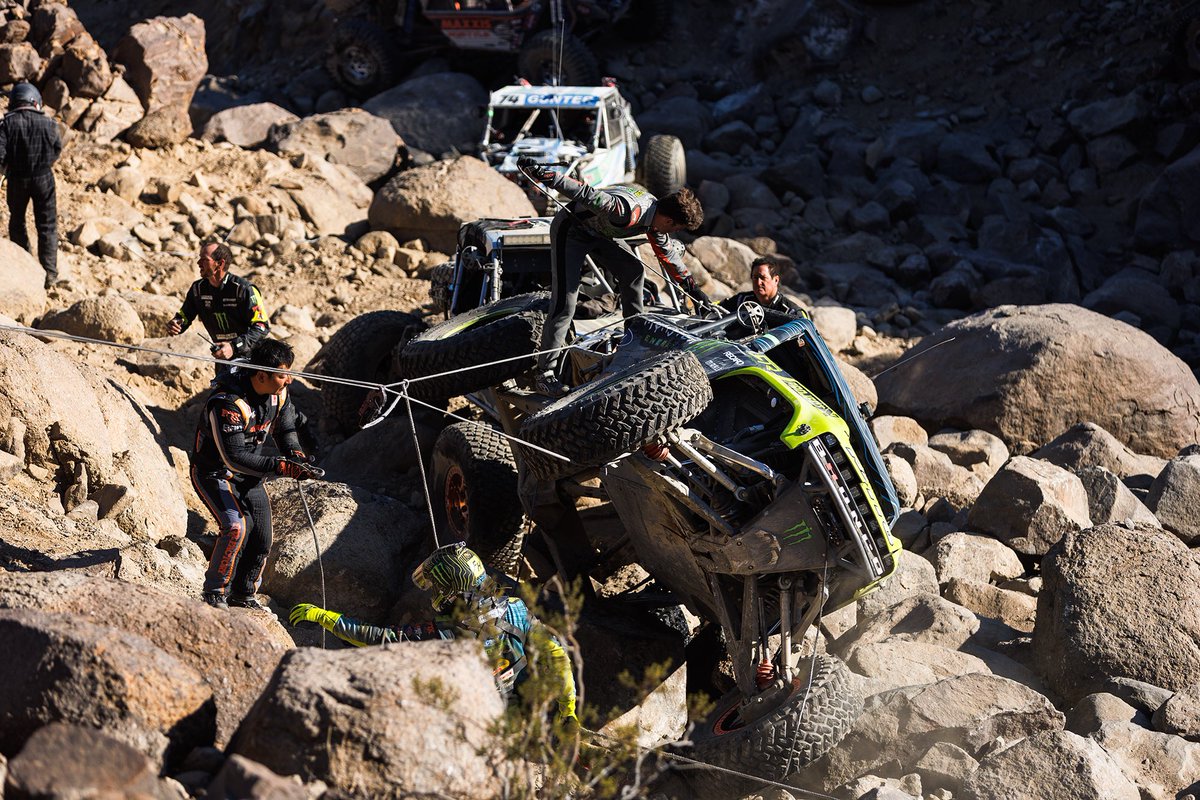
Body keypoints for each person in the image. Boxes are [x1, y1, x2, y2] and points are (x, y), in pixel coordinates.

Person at [290, 542, 579, 728]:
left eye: (437, 587)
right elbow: (557, 654)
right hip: (528, 717)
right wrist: (569, 710)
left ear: (452, 589)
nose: (434, 594)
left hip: (477, 724)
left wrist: (326, 617)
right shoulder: (516, 609)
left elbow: (380, 638)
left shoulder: (445, 634)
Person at [516, 155, 706, 396]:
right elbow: (583, 192)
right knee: (566, 301)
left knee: (634, 272)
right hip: (572, 230)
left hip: (600, 233)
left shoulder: (655, 219)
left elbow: (669, 256)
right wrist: (544, 174)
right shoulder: (626, 211)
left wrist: (693, 289)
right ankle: (544, 373)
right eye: (676, 228)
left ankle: (633, 340)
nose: (674, 232)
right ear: (669, 220)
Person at [190, 338, 321, 609]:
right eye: (284, 375)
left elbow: (285, 430)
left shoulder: (278, 394)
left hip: (249, 476)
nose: (289, 381)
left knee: (262, 536)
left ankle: (244, 593)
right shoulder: (226, 403)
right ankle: (215, 592)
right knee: (236, 527)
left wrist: (295, 455)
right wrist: (280, 466)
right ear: (262, 375)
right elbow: (234, 457)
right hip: (214, 473)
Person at [0, 83, 63, 290]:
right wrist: (43, 164)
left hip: (17, 180)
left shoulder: (7, 124)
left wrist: (8, 168)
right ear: (35, 102)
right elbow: (56, 149)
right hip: (44, 179)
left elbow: (0, 155)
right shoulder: (49, 123)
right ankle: (50, 274)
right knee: (47, 226)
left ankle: (25, 265)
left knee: (17, 222)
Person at [167, 242, 270, 365]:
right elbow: (184, 316)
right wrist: (177, 323)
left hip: (250, 358)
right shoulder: (198, 289)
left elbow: (262, 327)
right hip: (222, 358)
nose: (198, 263)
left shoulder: (243, 289)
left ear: (220, 264)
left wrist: (233, 347)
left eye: (204, 260)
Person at [719, 255, 807, 319]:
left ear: (776, 280)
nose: (758, 282)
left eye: (763, 278)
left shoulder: (790, 310)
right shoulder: (742, 300)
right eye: (755, 278)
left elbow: (804, 325)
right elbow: (716, 308)